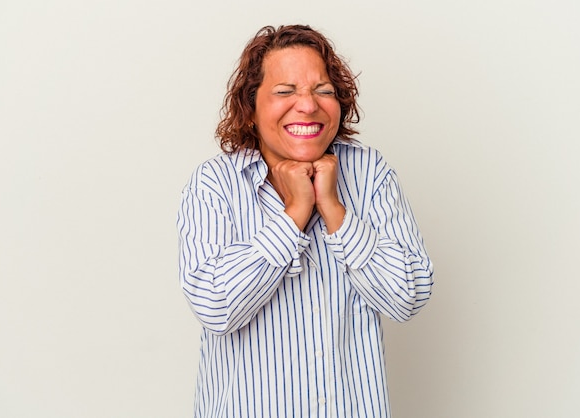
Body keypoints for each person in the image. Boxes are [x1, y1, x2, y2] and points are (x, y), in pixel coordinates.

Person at [177, 24, 434, 418]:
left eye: (323, 91)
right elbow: (216, 307)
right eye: (285, 91)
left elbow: (407, 297)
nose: (308, 105)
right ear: (251, 107)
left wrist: (333, 208)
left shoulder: (370, 173)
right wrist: (294, 213)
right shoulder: (215, 183)